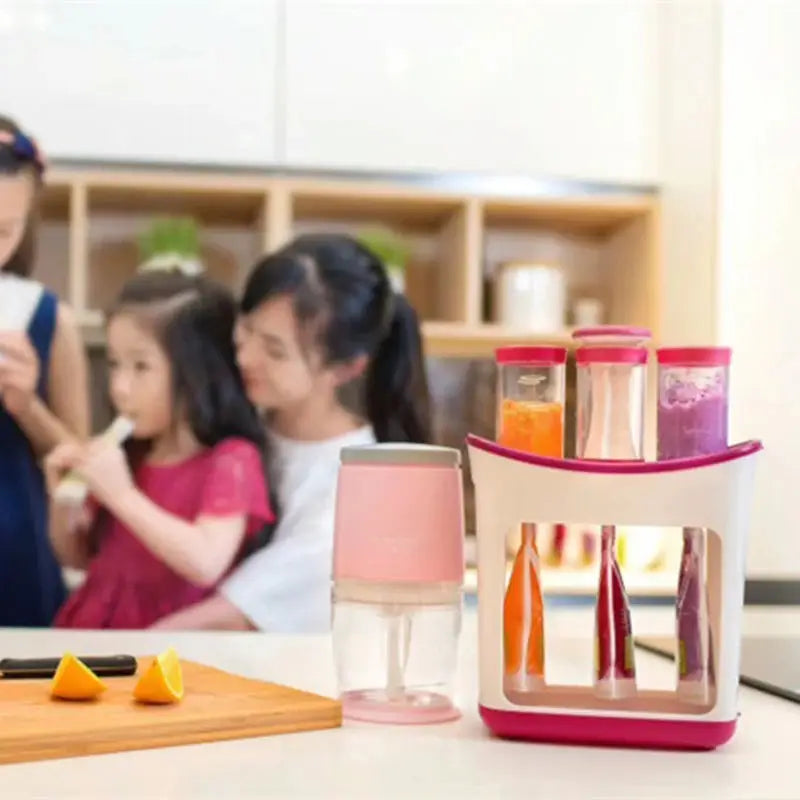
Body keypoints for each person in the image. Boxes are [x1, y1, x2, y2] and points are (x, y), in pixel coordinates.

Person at [153, 233, 431, 632]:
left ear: (346, 368)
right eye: (245, 329)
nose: (245, 356)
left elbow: (231, 617)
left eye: (275, 350)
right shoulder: (230, 427)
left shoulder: (358, 486)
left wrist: (129, 655)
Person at [45, 271, 274, 628]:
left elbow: (205, 562)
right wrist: (64, 502)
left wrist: (121, 494)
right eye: (114, 364)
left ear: (196, 370)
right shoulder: (131, 455)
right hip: (91, 632)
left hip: (167, 650)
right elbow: (76, 558)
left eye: (141, 367)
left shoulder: (232, 460)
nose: (120, 387)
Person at [0, 116, 89, 626]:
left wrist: (28, 406)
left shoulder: (48, 317)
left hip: (15, 555)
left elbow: (81, 470)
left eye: (5, 230)